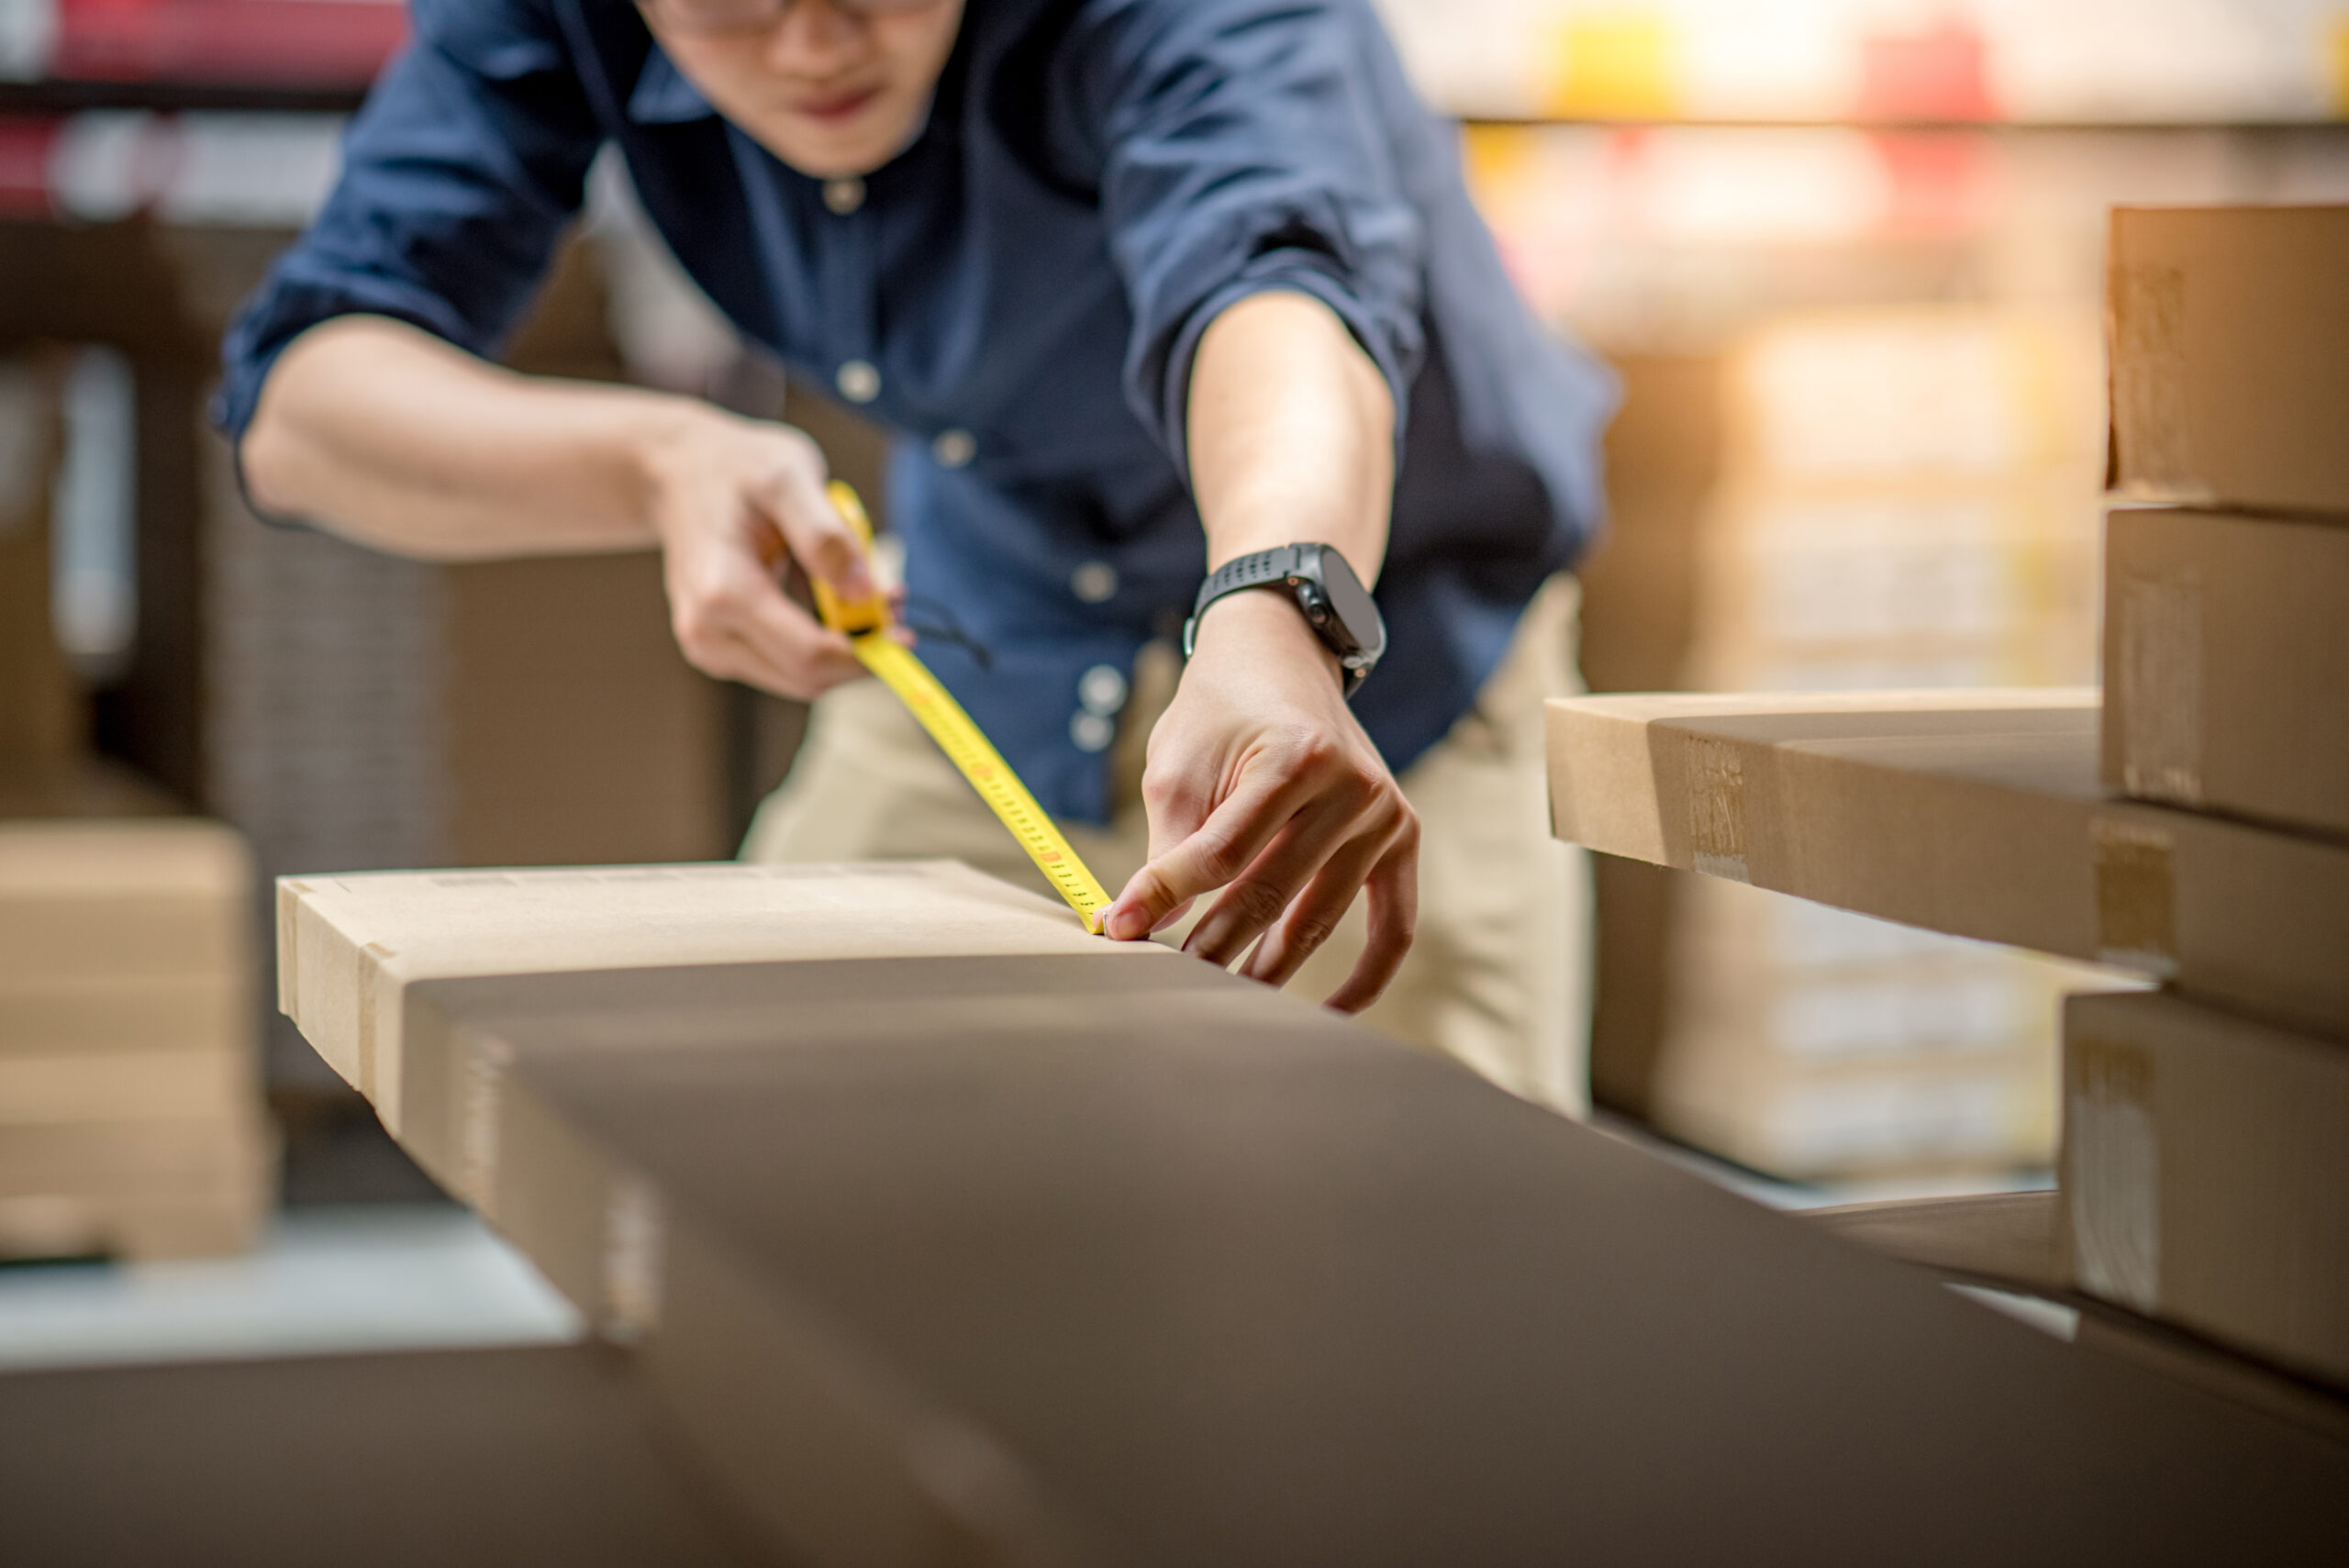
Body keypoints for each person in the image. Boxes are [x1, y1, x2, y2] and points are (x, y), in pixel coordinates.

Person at [218, 0, 1615, 1113]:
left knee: (1419, 1238)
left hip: (1368, 668)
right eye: (728, 7)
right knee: (756, 1137)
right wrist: (663, 461)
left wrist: (1277, 603)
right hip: (992, 614)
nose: (815, 45)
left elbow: (1277, 281)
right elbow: (302, 408)